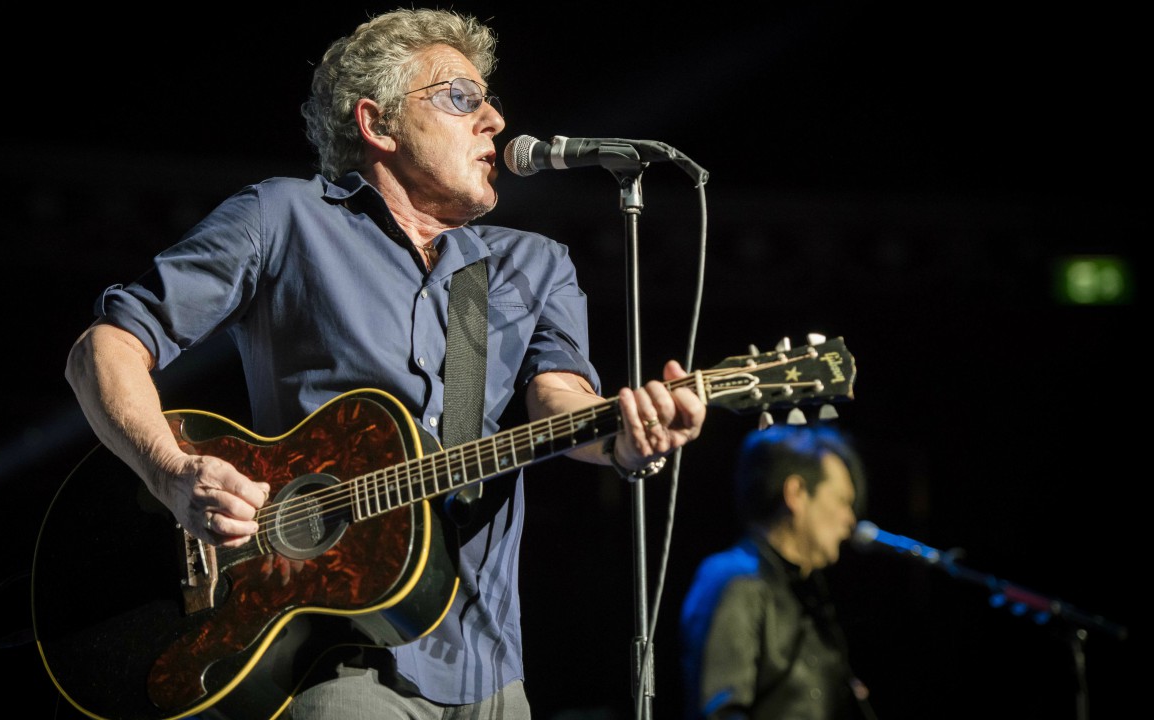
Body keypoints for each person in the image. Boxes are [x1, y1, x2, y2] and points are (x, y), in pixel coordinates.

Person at [62, 7, 706, 719]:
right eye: (461, 97)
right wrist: (171, 473)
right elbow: (106, 347)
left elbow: (560, 401)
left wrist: (624, 434)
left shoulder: (532, 265)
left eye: (489, 100)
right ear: (378, 123)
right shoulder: (284, 217)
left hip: (489, 667)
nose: (494, 120)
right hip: (326, 660)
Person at [678, 423, 874, 720]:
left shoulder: (808, 592)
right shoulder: (735, 580)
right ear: (796, 493)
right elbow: (721, 711)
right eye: (842, 501)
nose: (850, 519)